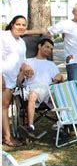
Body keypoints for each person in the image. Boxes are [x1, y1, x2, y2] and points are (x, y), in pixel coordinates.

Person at [18, 38, 64, 139]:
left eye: (51, 49)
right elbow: (18, 81)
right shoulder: (28, 62)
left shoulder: (51, 64)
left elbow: (60, 77)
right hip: (32, 88)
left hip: (47, 88)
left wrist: (60, 77)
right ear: (39, 46)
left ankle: (61, 125)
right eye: (47, 47)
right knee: (33, 94)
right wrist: (23, 71)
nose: (49, 50)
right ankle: (30, 127)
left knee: (57, 95)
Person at [47, 4, 77, 98]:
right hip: (73, 62)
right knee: (74, 90)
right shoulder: (65, 24)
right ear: (73, 12)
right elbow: (48, 32)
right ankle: (75, 112)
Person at [2, 16, 34, 147]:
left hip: (12, 79)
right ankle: (8, 138)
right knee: (3, 107)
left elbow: (22, 61)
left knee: (4, 107)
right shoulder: (3, 36)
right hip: (3, 77)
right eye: (18, 24)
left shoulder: (21, 42)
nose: (21, 27)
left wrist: (26, 68)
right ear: (12, 25)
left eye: (23, 25)